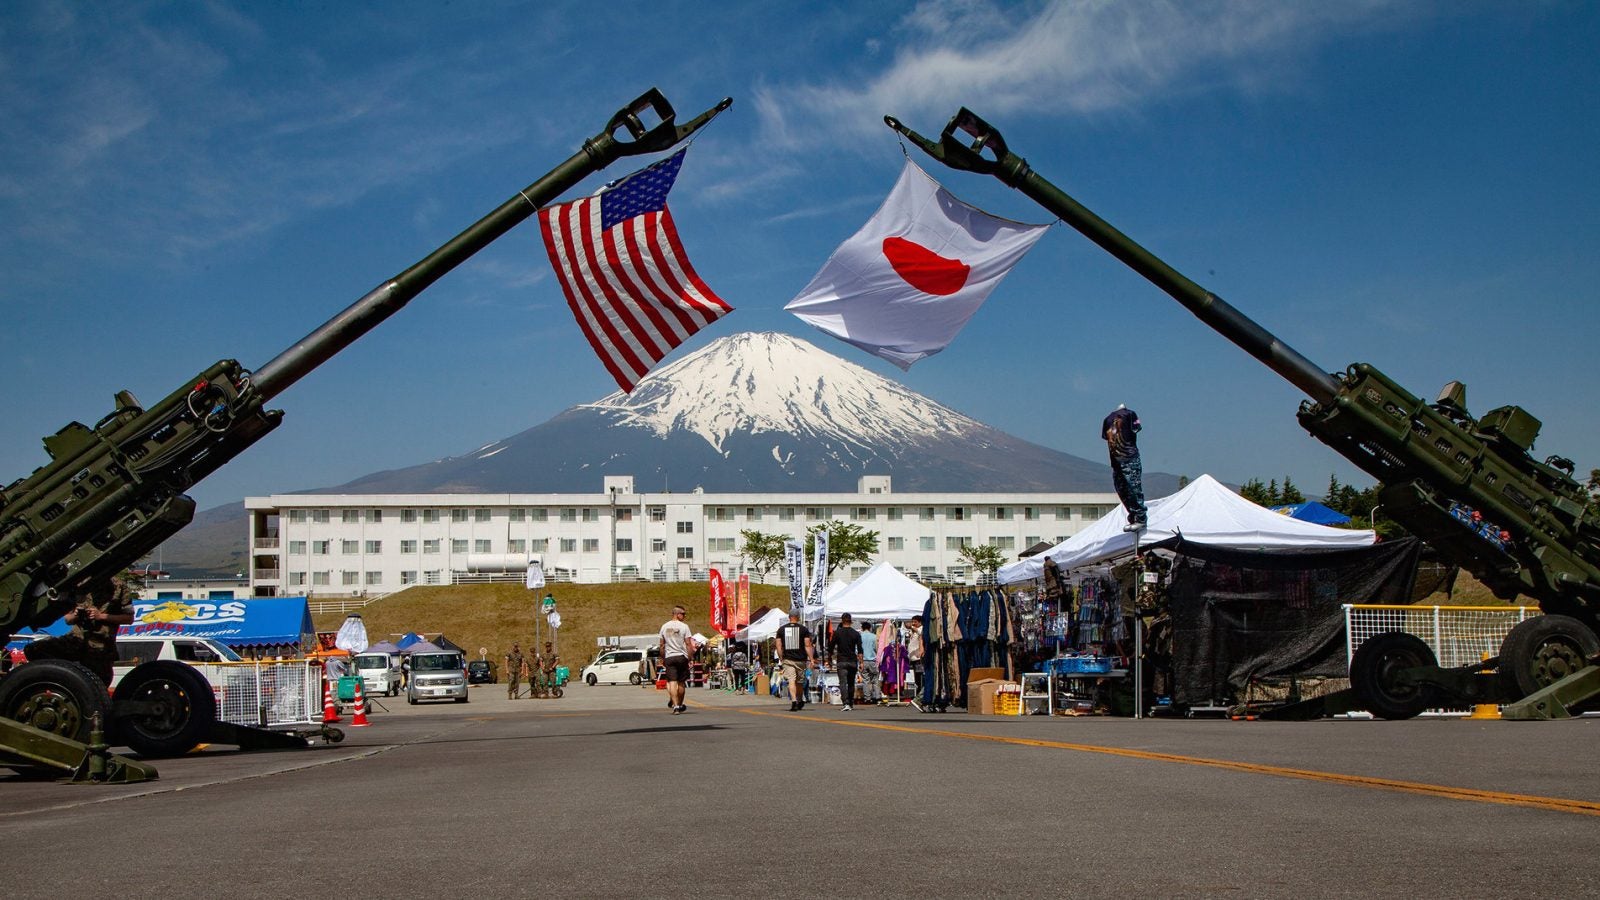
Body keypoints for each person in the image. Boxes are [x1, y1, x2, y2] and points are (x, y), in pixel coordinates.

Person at [25, 575, 134, 685]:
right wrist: (76, 615)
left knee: (98, 683)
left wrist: (100, 616)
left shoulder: (119, 586)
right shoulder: (79, 583)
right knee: (34, 649)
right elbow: (68, 619)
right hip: (76, 640)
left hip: (100, 644)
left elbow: (129, 618)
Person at [1103, 404, 1147, 531]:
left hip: (1129, 457)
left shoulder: (1130, 414)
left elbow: (1136, 428)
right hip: (1116, 462)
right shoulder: (1107, 420)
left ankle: (1140, 517)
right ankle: (1133, 516)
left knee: (1133, 487)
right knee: (1121, 489)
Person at [776, 609, 816, 712]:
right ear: (798, 617)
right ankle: (798, 700)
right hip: (800, 659)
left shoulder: (781, 630)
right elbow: (807, 645)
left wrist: (781, 658)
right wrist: (811, 659)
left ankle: (794, 701)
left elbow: (778, 646)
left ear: (789, 617)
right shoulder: (803, 629)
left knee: (791, 680)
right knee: (799, 681)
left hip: (788, 659)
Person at [658, 605, 694, 714]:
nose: (684, 615)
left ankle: (675, 706)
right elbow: (688, 643)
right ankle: (680, 704)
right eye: (683, 614)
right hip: (681, 656)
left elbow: (661, 645)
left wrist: (663, 658)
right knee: (681, 682)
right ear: (677, 614)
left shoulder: (664, 627)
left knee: (672, 682)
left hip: (670, 657)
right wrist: (690, 658)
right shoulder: (684, 627)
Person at [829, 613, 863, 712]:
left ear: (842, 620)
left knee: (843, 683)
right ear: (851, 621)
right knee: (851, 683)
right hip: (852, 660)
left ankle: (846, 703)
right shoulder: (856, 633)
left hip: (841, 660)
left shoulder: (837, 633)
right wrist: (861, 662)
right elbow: (860, 649)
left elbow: (831, 647)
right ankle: (851, 703)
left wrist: (829, 658)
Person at [905, 616, 926, 711]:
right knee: (917, 679)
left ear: (920, 622)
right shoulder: (913, 632)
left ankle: (919, 697)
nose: (913, 623)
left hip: (918, 659)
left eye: (915, 622)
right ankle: (918, 696)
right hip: (913, 659)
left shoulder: (921, 629)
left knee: (920, 678)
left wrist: (913, 628)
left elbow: (921, 633)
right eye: (912, 621)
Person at [859, 620, 881, 704]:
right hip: (873, 660)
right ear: (870, 628)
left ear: (862, 628)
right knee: (875, 679)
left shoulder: (859, 636)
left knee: (865, 680)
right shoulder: (874, 636)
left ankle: (867, 698)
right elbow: (877, 649)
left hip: (863, 660)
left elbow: (857, 650)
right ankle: (877, 697)